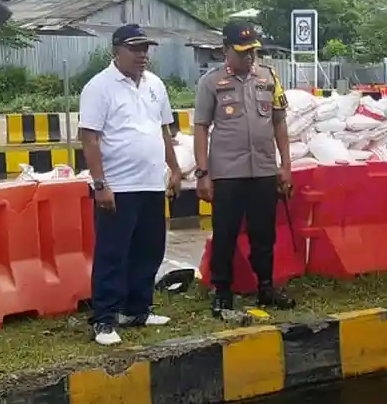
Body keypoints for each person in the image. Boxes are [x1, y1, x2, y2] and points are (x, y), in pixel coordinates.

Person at [78, 24, 183, 347]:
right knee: (113, 253)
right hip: (118, 185)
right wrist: (100, 184)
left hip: (151, 182)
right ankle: (105, 319)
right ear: (116, 51)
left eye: (145, 49)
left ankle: (137, 309)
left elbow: (164, 130)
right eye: (135, 49)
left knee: (149, 250)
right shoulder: (99, 87)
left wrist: (175, 169)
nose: (142, 56)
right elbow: (90, 138)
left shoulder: (155, 85)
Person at [193, 20, 296, 316]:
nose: (249, 57)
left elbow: (279, 122)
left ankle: (266, 287)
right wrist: (202, 172)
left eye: (252, 51)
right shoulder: (210, 83)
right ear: (226, 50)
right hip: (228, 173)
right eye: (241, 51)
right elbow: (201, 128)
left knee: (264, 234)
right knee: (224, 233)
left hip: (263, 170)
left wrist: (285, 165)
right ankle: (222, 291)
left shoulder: (268, 77)